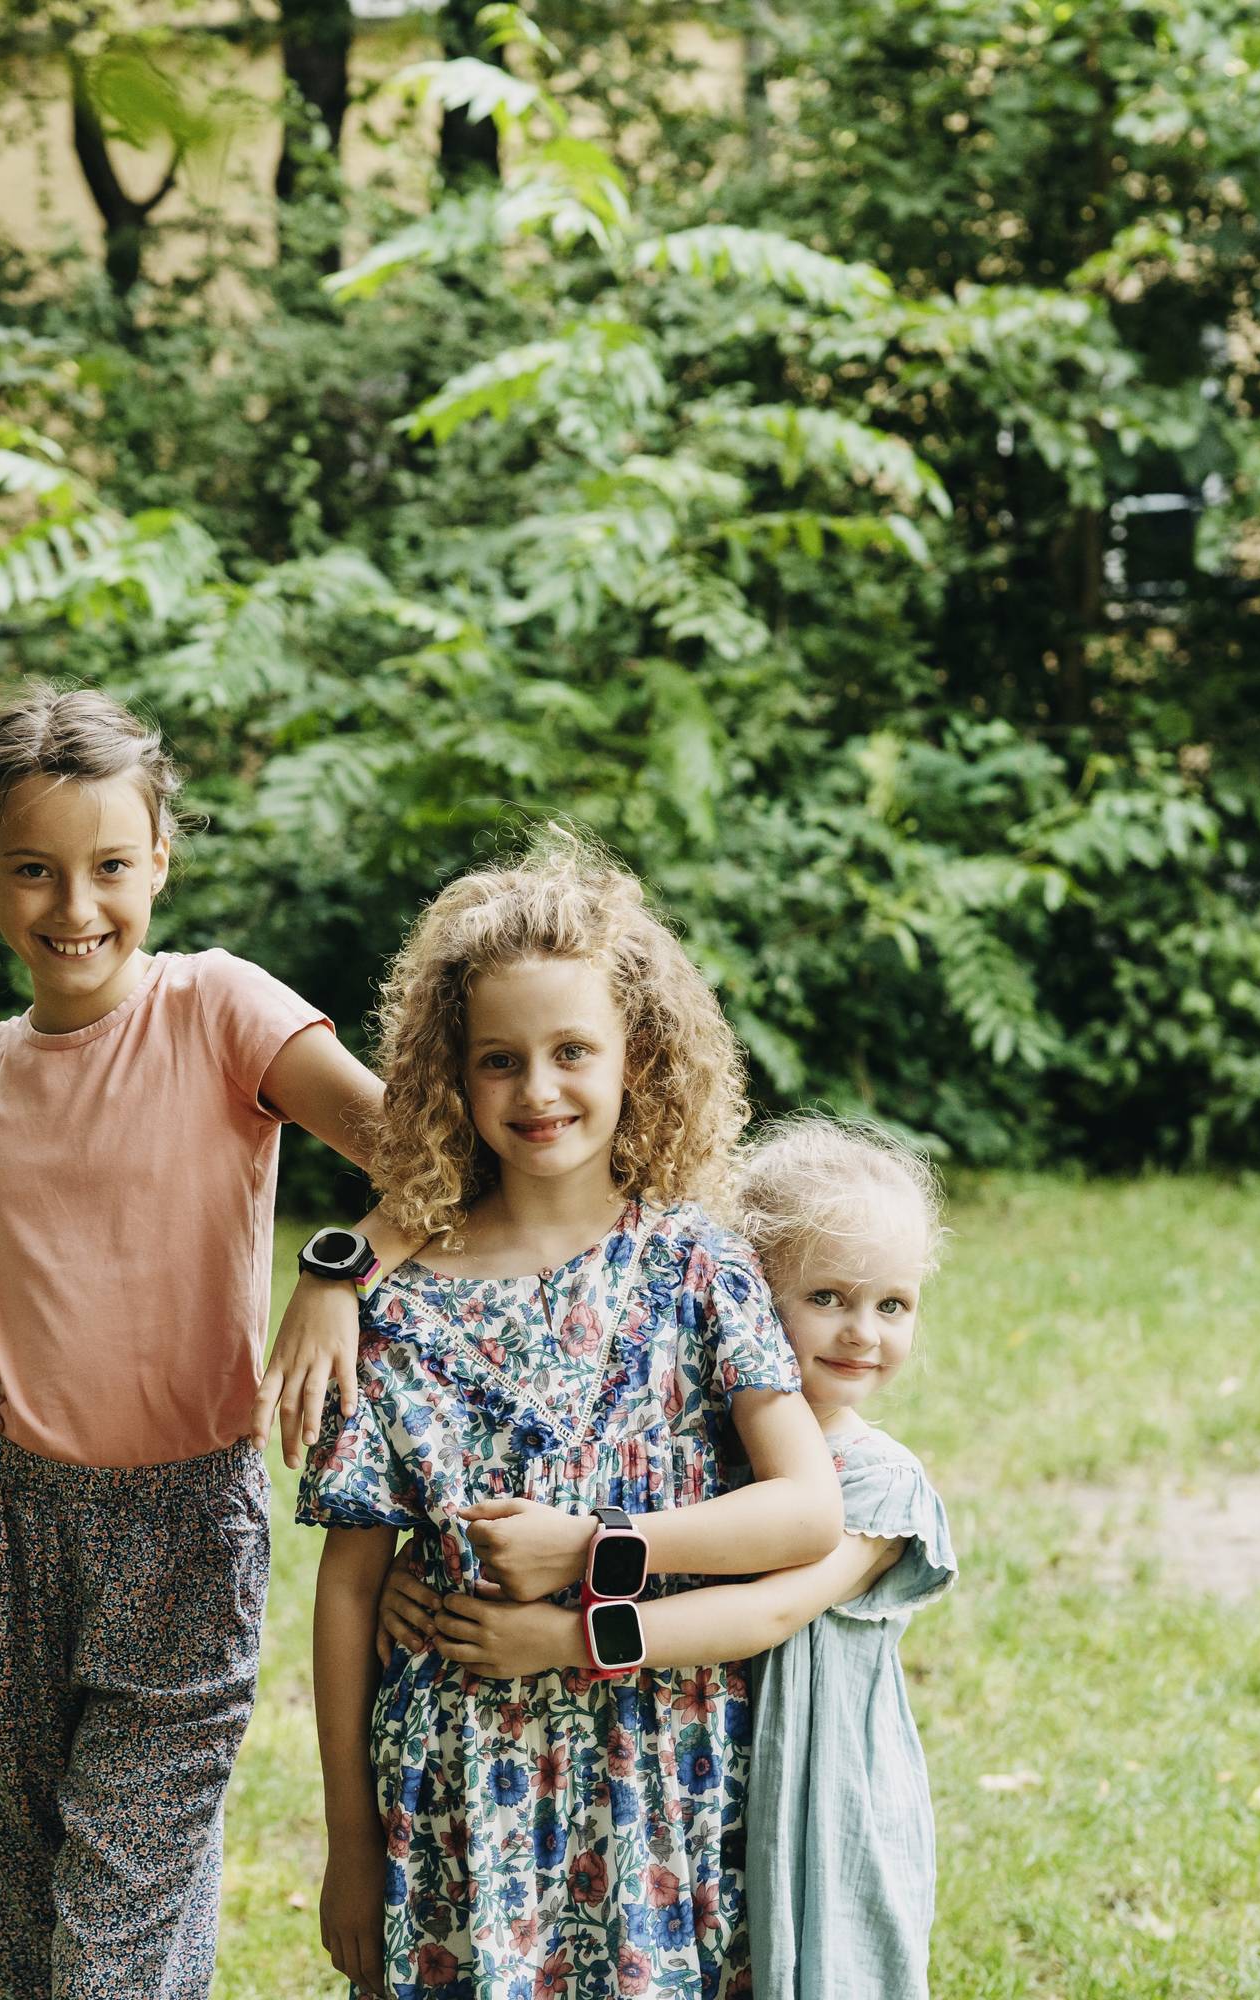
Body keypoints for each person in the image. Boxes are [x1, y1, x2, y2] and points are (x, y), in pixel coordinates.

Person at [0, 685, 397, 1999]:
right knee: (38, 1884)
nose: (75, 906)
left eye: (111, 865)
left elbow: (422, 1160)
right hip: (6, 1527)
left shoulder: (219, 1010)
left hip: (183, 1522)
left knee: (113, 1931)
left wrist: (335, 1274)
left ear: (161, 857)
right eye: (33, 872)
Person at [300, 833, 845, 2000]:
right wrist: (350, 1839)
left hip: (660, 1775)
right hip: (452, 1802)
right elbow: (351, 1584)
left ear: (637, 1055)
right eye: (500, 1059)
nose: (538, 1090)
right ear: (454, 1072)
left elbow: (806, 1510)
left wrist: (600, 1547)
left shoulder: (699, 1264)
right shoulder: (393, 1303)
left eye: (571, 1051)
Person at [387, 1116, 959, 2000]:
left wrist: (560, 1638)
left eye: (893, 1304)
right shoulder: (701, 1455)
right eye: (828, 1298)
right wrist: (425, 1570)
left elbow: (763, 1614)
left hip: (819, 1794)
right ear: (750, 1297)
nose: (863, 1334)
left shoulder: (879, 1486)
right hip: (700, 1790)